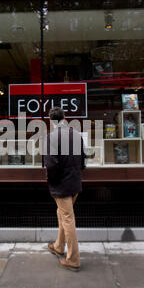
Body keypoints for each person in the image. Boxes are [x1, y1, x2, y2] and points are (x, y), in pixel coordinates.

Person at [44, 107, 86, 272]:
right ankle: (58, 246)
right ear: (64, 117)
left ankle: (74, 259)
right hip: (75, 184)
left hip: (61, 186)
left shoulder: (50, 137)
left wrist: (52, 183)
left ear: (50, 120)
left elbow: (51, 164)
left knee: (67, 218)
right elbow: (82, 161)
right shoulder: (76, 135)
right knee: (62, 214)